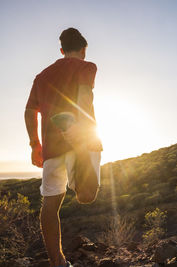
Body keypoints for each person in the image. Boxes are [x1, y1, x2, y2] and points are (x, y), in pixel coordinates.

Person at [24, 27, 103, 267]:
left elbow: (29, 112)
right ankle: (77, 148)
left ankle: (56, 262)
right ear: (83, 49)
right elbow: (84, 96)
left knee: (50, 203)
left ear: (61, 50)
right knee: (87, 196)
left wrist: (34, 145)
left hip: (51, 147)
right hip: (82, 138)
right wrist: (79, 133)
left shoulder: (42, 76)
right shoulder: (86, 67)